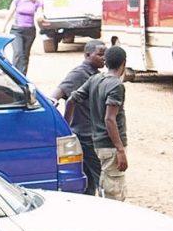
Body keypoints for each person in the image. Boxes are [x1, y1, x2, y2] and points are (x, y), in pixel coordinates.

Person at [74, 47, 130, 200]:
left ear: (106, 62)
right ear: (123, 63)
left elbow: (73, 98)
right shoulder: (116, 86)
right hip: (111, 145)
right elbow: (109, 119)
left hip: (98, 144)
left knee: (105, 183)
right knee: (114, 190)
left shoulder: (95, 79)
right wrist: (120, 150)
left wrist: (67, 124)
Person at [53, 39, 107, 195]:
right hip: (85, 135)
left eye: (105, 55)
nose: (103, 58)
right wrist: (64, 126)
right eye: (100, 55)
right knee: (101, 176)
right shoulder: (79, 74)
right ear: (87, 55)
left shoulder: (96, 75)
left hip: (92, 134)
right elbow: (55, 96)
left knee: (88, 178)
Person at [6, 0, 42, 74]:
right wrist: (4, 26)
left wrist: (40, 18)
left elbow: (39, 14)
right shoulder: (18, 1)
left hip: (29, 31)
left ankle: (22, 76)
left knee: (25, 55)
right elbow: (10, 13)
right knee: (18, 52)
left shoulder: (37, 2)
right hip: (16, 30)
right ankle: (13, 74)